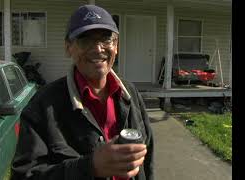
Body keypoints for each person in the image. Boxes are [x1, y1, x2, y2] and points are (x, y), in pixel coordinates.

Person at [11, 4, 154, 180]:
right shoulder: (42, 105)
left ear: (116, 46)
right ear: (68, 47)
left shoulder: (130, 94)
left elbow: (147, 160)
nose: (98, 48)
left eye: (106, 39)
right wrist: (90, 167)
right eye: (85, 40)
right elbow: (24, 175)